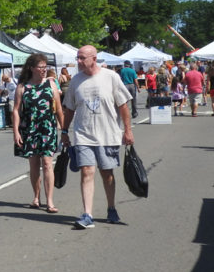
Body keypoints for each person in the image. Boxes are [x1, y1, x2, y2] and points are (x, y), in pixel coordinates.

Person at [61, 45, 134, 229]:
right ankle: (87, 214)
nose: (78, 61)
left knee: (107, 174)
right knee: (86, 172)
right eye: (77, 57)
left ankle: (111, 208)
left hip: (108, 134)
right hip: (83, 134)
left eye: (82, 58)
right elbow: (69, 108)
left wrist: (127, 130)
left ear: (93, 58)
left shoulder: (111, 77)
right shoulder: (75, 81)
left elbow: (123, 105)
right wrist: (63, 131)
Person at [12, 54, 63, 213]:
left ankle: (49, 201)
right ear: (32, 68)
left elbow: (59, 109)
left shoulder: (51, 84)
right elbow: (16, 110)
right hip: (29, 129)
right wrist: (16, 132)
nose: (44, 70)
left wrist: (65, 130)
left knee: (47, 163)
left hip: (47, 128)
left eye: (45, 67)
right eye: (41, 67)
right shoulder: (22, 87)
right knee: (34, 164)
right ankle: (36, 196)